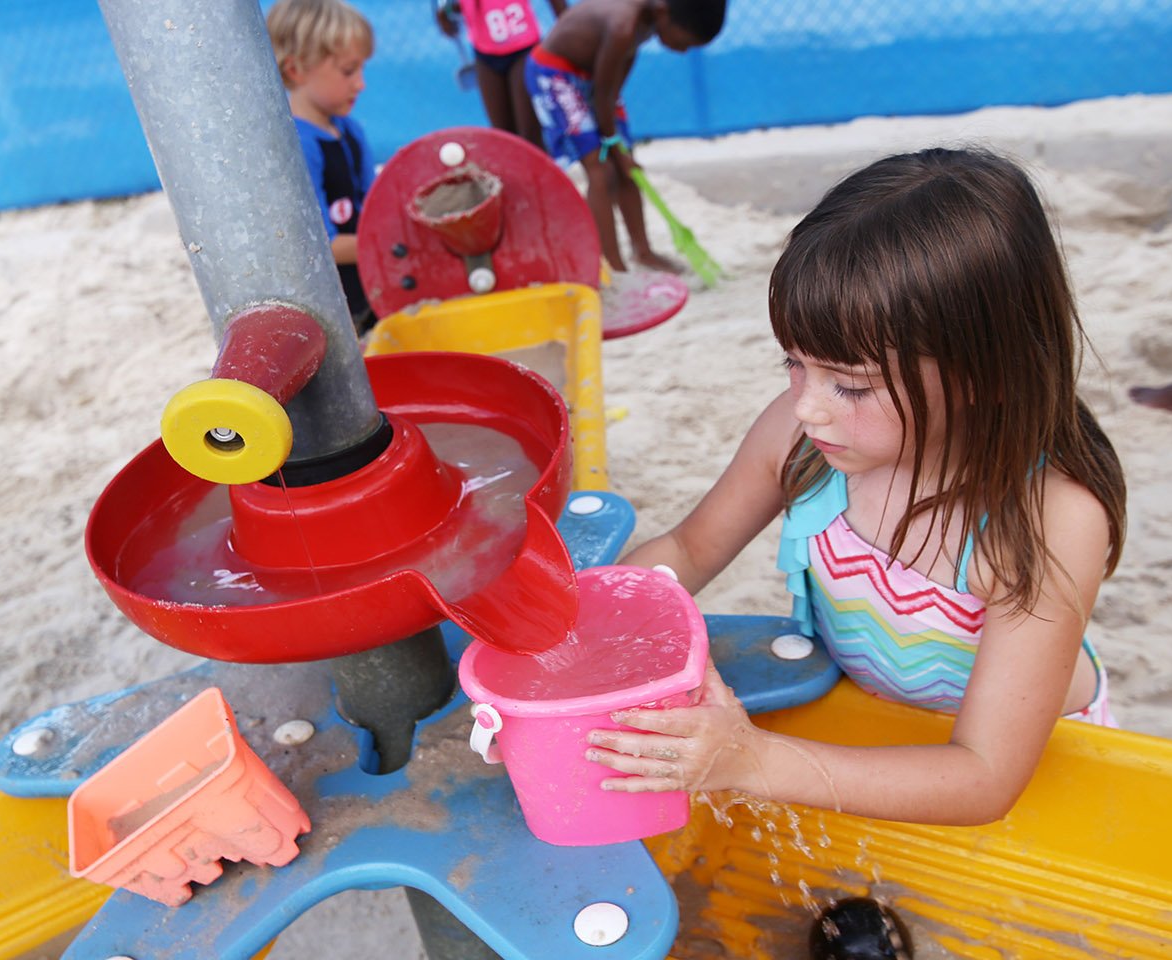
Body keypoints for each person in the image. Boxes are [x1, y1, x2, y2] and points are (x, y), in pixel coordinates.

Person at [586, 148, 1128, 827]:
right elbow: (690, 551)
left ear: (986, 375)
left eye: (850, 384)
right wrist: (583, 634)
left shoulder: (1048, 520)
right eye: (794, 363)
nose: (809, 407)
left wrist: (749, 759)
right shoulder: (802, 436)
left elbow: (984, 777)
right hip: (867, 726)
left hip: (1028, 762)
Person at [524, 0, 726, 273]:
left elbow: (612, 83)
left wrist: (622, 151)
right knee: (601, 168)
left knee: (626, 169)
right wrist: (613, 146)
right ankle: (612, 264)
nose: (683, 51)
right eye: (685, 42)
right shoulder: (623, 26)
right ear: (665, 13)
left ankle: (643, 252)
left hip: (596, 80)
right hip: (556, 72)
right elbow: (604, 97)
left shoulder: (648, 20)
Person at [268, 0, 377, 335]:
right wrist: (386, 246)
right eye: (348, 71)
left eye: (361, 69)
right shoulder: (295, 146)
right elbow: (315, 247)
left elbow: (373, 207)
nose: (361, 84)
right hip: (333, 316)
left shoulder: (350, 130)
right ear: (296, 69)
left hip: (371, 291)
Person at [434, 0, 567, 149]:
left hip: (523, 49)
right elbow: (454, 9)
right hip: (485, 53)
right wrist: (448, 12)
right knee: (503, 137)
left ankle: (538, 169)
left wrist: (567, 29)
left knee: (530, 135)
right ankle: (515, 171)